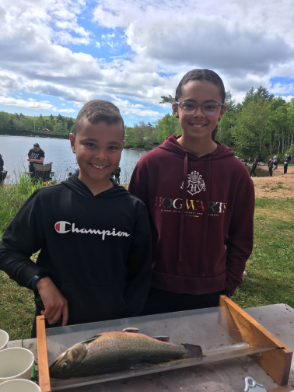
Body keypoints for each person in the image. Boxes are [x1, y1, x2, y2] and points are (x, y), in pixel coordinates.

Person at [0, 100, 152, 337]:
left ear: (122, 147)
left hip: (113, 331)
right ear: (73, 142)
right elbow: (7, 251)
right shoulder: (47, 200)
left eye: (112, 147)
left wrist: (127, 322)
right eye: (90, 144)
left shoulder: (134, 209)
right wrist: (40, 280)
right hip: (55, 327)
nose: (101, 156)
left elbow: (141, 277)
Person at [129, 69, 254, 316]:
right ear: (175, 108)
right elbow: (132, 230)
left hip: (211, 290)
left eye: (209, 106)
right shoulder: (150, 165)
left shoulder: (235, 172)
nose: (198, 114)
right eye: (189, 105)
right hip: (153, 288)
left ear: (222, 111)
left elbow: (241, 238)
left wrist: (229, 284)